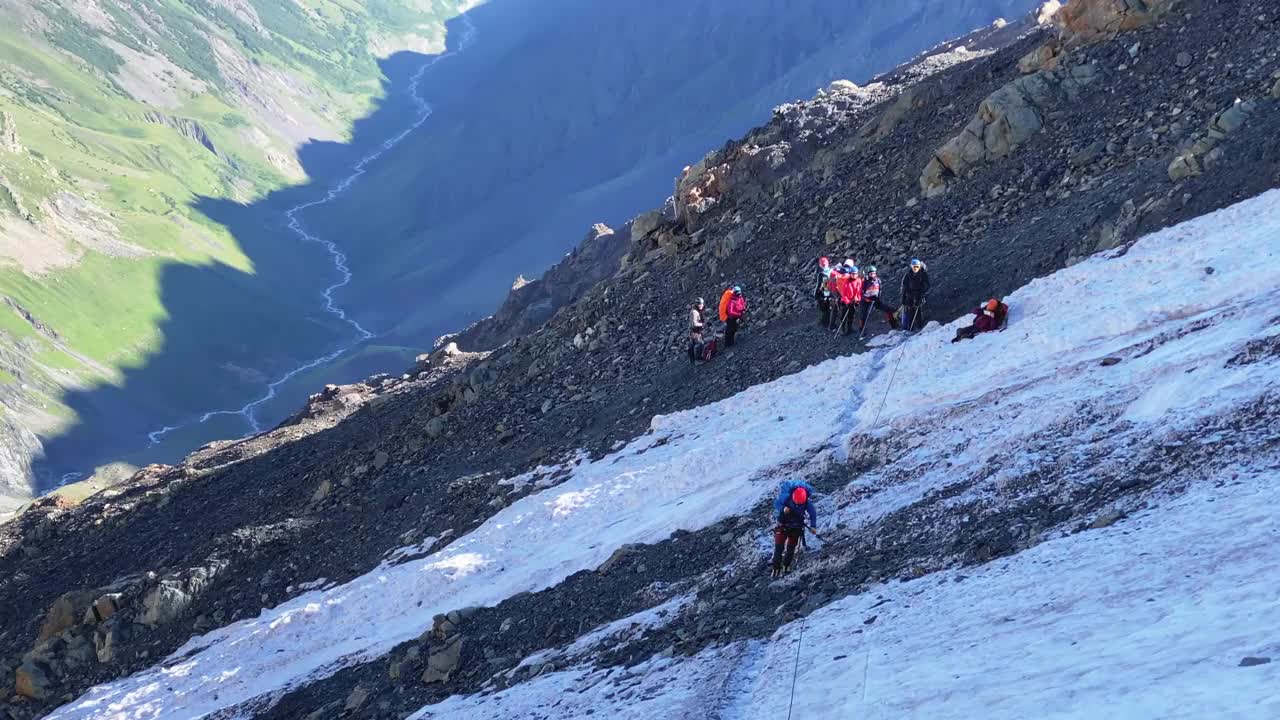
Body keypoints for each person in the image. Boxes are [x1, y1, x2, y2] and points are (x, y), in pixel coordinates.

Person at [772, 482, 817, 577]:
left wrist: (813, 526)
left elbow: (813, 513)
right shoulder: (786, 498)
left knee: (790, 548)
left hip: (796, 527)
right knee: (779, 548)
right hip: (783, 525)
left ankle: (786, 566)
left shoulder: (806, 502)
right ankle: (776, 567)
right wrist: (783, 508)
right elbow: (776, 504)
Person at [858, 266, 899, 334]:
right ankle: (861, 329)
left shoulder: (878, 281)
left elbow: (880, 290)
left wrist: (878, 298)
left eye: (873, 274)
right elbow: (861, 293)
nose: (872, 275)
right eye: (870, 274)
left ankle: (893, 324)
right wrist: (866, 299)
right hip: (865, 300)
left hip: (875, 299)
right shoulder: (865, 281)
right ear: (868, 274)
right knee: (863, 314)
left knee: (888, 309)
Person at [900, 258, 931, 331]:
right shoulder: (908, 275)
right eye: (914, 266)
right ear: (911, 266)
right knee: (910, 309)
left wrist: (923, 295)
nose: (915, 268)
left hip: (919, 294)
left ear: (919, 266)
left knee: (918, 309)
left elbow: (927, 285)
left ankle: (919, 325)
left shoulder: (923, 274)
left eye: (917, 266)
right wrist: (903, 299)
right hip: (910, 294)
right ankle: (910, 326)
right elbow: (904, 287)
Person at [835, 263, 862, 335]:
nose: (854, 275)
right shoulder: (846, 283)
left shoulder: (858, 281)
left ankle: (850, 328)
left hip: (854, 301)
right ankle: (843, 329)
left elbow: (859, 291)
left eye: (855, 274)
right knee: (844, 315)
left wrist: (857, 299)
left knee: (851, 315)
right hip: (846, 302)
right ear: (850, 274)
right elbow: (844, 294)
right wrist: (848, 302)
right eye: (853, 274)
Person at [813, 257, 834, 327]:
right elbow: (823, 286)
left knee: (825, 309)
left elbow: (819, 285)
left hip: (825, 294)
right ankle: (826, 323)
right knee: (826, 309)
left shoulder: (821, 274)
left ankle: (825, 323)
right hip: (827, 293)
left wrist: (816, 295)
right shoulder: (830, 272)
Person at [688, 297, 706, 363]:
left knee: (691, 345)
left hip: (694, 331)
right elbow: (694, 324)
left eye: (702, 304)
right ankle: (698, 359)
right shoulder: (694, 312)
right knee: (701, 344)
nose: (701, 305)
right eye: (699, 304)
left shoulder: (696, 310)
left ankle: (692, 360)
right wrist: (702, 324)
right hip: (695, 331)